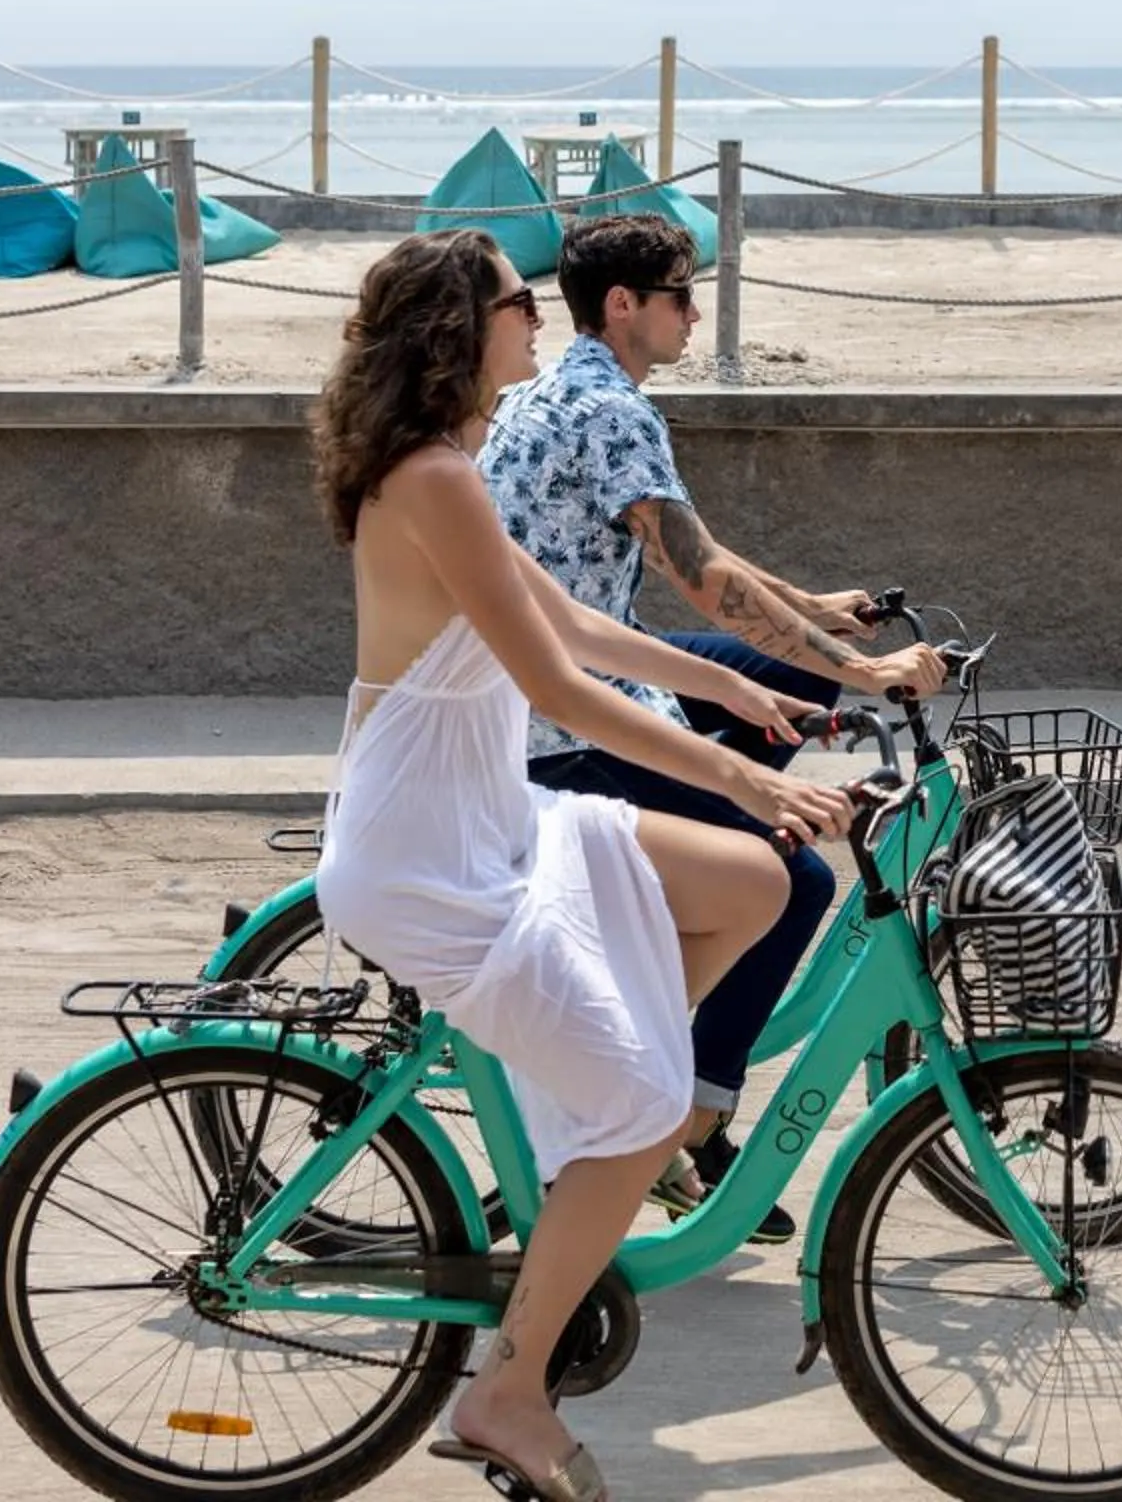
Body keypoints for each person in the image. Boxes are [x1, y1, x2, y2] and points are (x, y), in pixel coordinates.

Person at [309, 228, 853, 1502]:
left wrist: (736, 687)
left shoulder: (454, 468)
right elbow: (553, 680)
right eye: (515, 303)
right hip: (435, 855)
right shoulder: (435, 479)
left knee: (760, 882)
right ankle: (505, 1388)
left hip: (489, 817)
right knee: (646, 1099)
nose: (536, 319)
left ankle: (593, 1144)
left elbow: (578, 620)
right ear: (462, 329)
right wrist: (740, 770)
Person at [481, 212, 946, 1241]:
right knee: (800, 878)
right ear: (623, 305)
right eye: (681, 292)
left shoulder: (555, 392)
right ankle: (689, 1117)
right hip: (567, 724)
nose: (696, 311)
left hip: (575, 672)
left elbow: (701, 550)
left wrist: (815, 618)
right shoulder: (612, 411)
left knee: (791, 693)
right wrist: (865, 667)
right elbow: (701, 579)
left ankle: (719, 878)